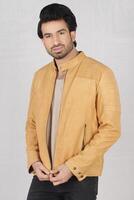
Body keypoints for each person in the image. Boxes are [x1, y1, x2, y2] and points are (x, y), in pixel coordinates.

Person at [25, 3, 121, 200]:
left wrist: (73, 166)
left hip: (81, 176)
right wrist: (34, 161)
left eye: (61, 33)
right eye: (48, 36)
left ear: (73, 34)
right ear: (43, 41)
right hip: (43, 177)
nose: (55, 41)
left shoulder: (100, 73)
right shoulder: (39, 77)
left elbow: (111, 128)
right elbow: (32, 124)